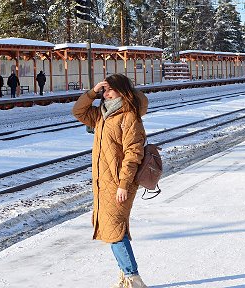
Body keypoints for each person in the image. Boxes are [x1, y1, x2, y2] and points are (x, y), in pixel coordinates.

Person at [72, 74, 149, 288]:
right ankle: (126, 276)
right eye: (103, 91)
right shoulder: (101, 115)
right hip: (103, 182)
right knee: (114, 229)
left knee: (115, 230)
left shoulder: (129, 116)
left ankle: (133, 278)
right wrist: (92, 92)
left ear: (122, 91)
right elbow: (78, 111)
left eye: (109, 90)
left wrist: (124, 184)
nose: (105, 94)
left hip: (119, 183)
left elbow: (133, 153)